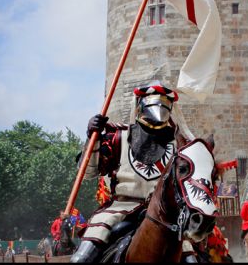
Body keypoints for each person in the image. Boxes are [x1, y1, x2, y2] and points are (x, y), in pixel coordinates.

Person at [70, 81, 199, 263]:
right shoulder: (117, 137)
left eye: (164, 103)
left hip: (164, 214)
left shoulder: (179, 144)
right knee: (81, 259)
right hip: (119, 208)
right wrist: (94, 138)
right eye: (154, 102)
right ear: (140, 105)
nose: (159, 108)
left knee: (192, 260)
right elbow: (88, 172)